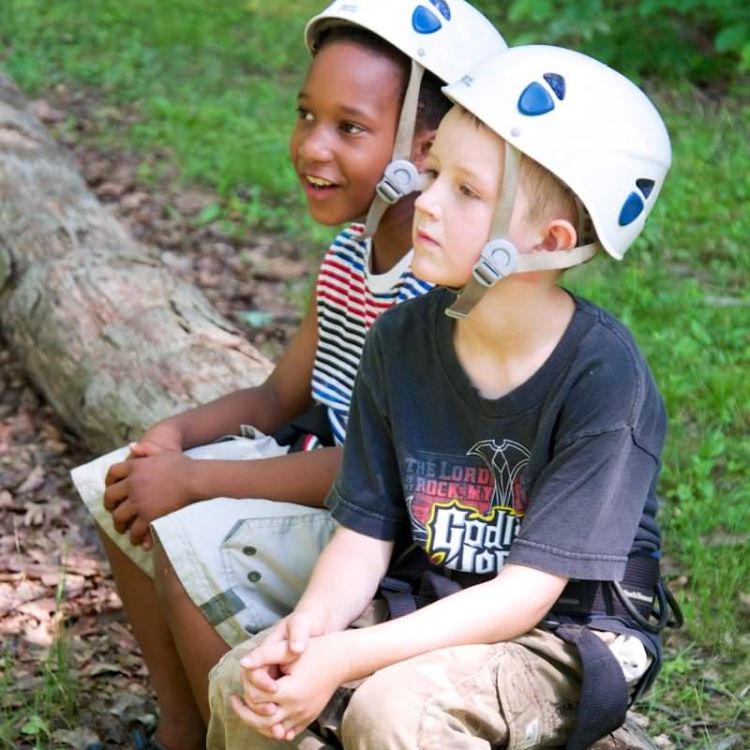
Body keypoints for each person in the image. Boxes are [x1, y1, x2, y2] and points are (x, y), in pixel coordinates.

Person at [207, 44, 682, 750]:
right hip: (436, 591)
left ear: (546, 242)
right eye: (433, 173)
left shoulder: (603, 380)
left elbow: (527, 594)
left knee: (398, 714)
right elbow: (364, 535)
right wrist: (312, 627)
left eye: (466, 191)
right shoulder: (399, 340)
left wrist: (346, 656)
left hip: (566, 633)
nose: (423, 201)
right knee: (243, 678)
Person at [71, 3, 506, 750]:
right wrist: (171, 439)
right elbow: (282, 395)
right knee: (120, 488)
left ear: (427, 150)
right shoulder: (349, 254)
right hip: (326, 487)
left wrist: (196, 483)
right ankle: (182, 727)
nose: (311, 145)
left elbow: (389, 473)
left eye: (349, 128)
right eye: (307, 114)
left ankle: (245, 737)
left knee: (186, 540)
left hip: (388, 534)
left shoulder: (443, 296)